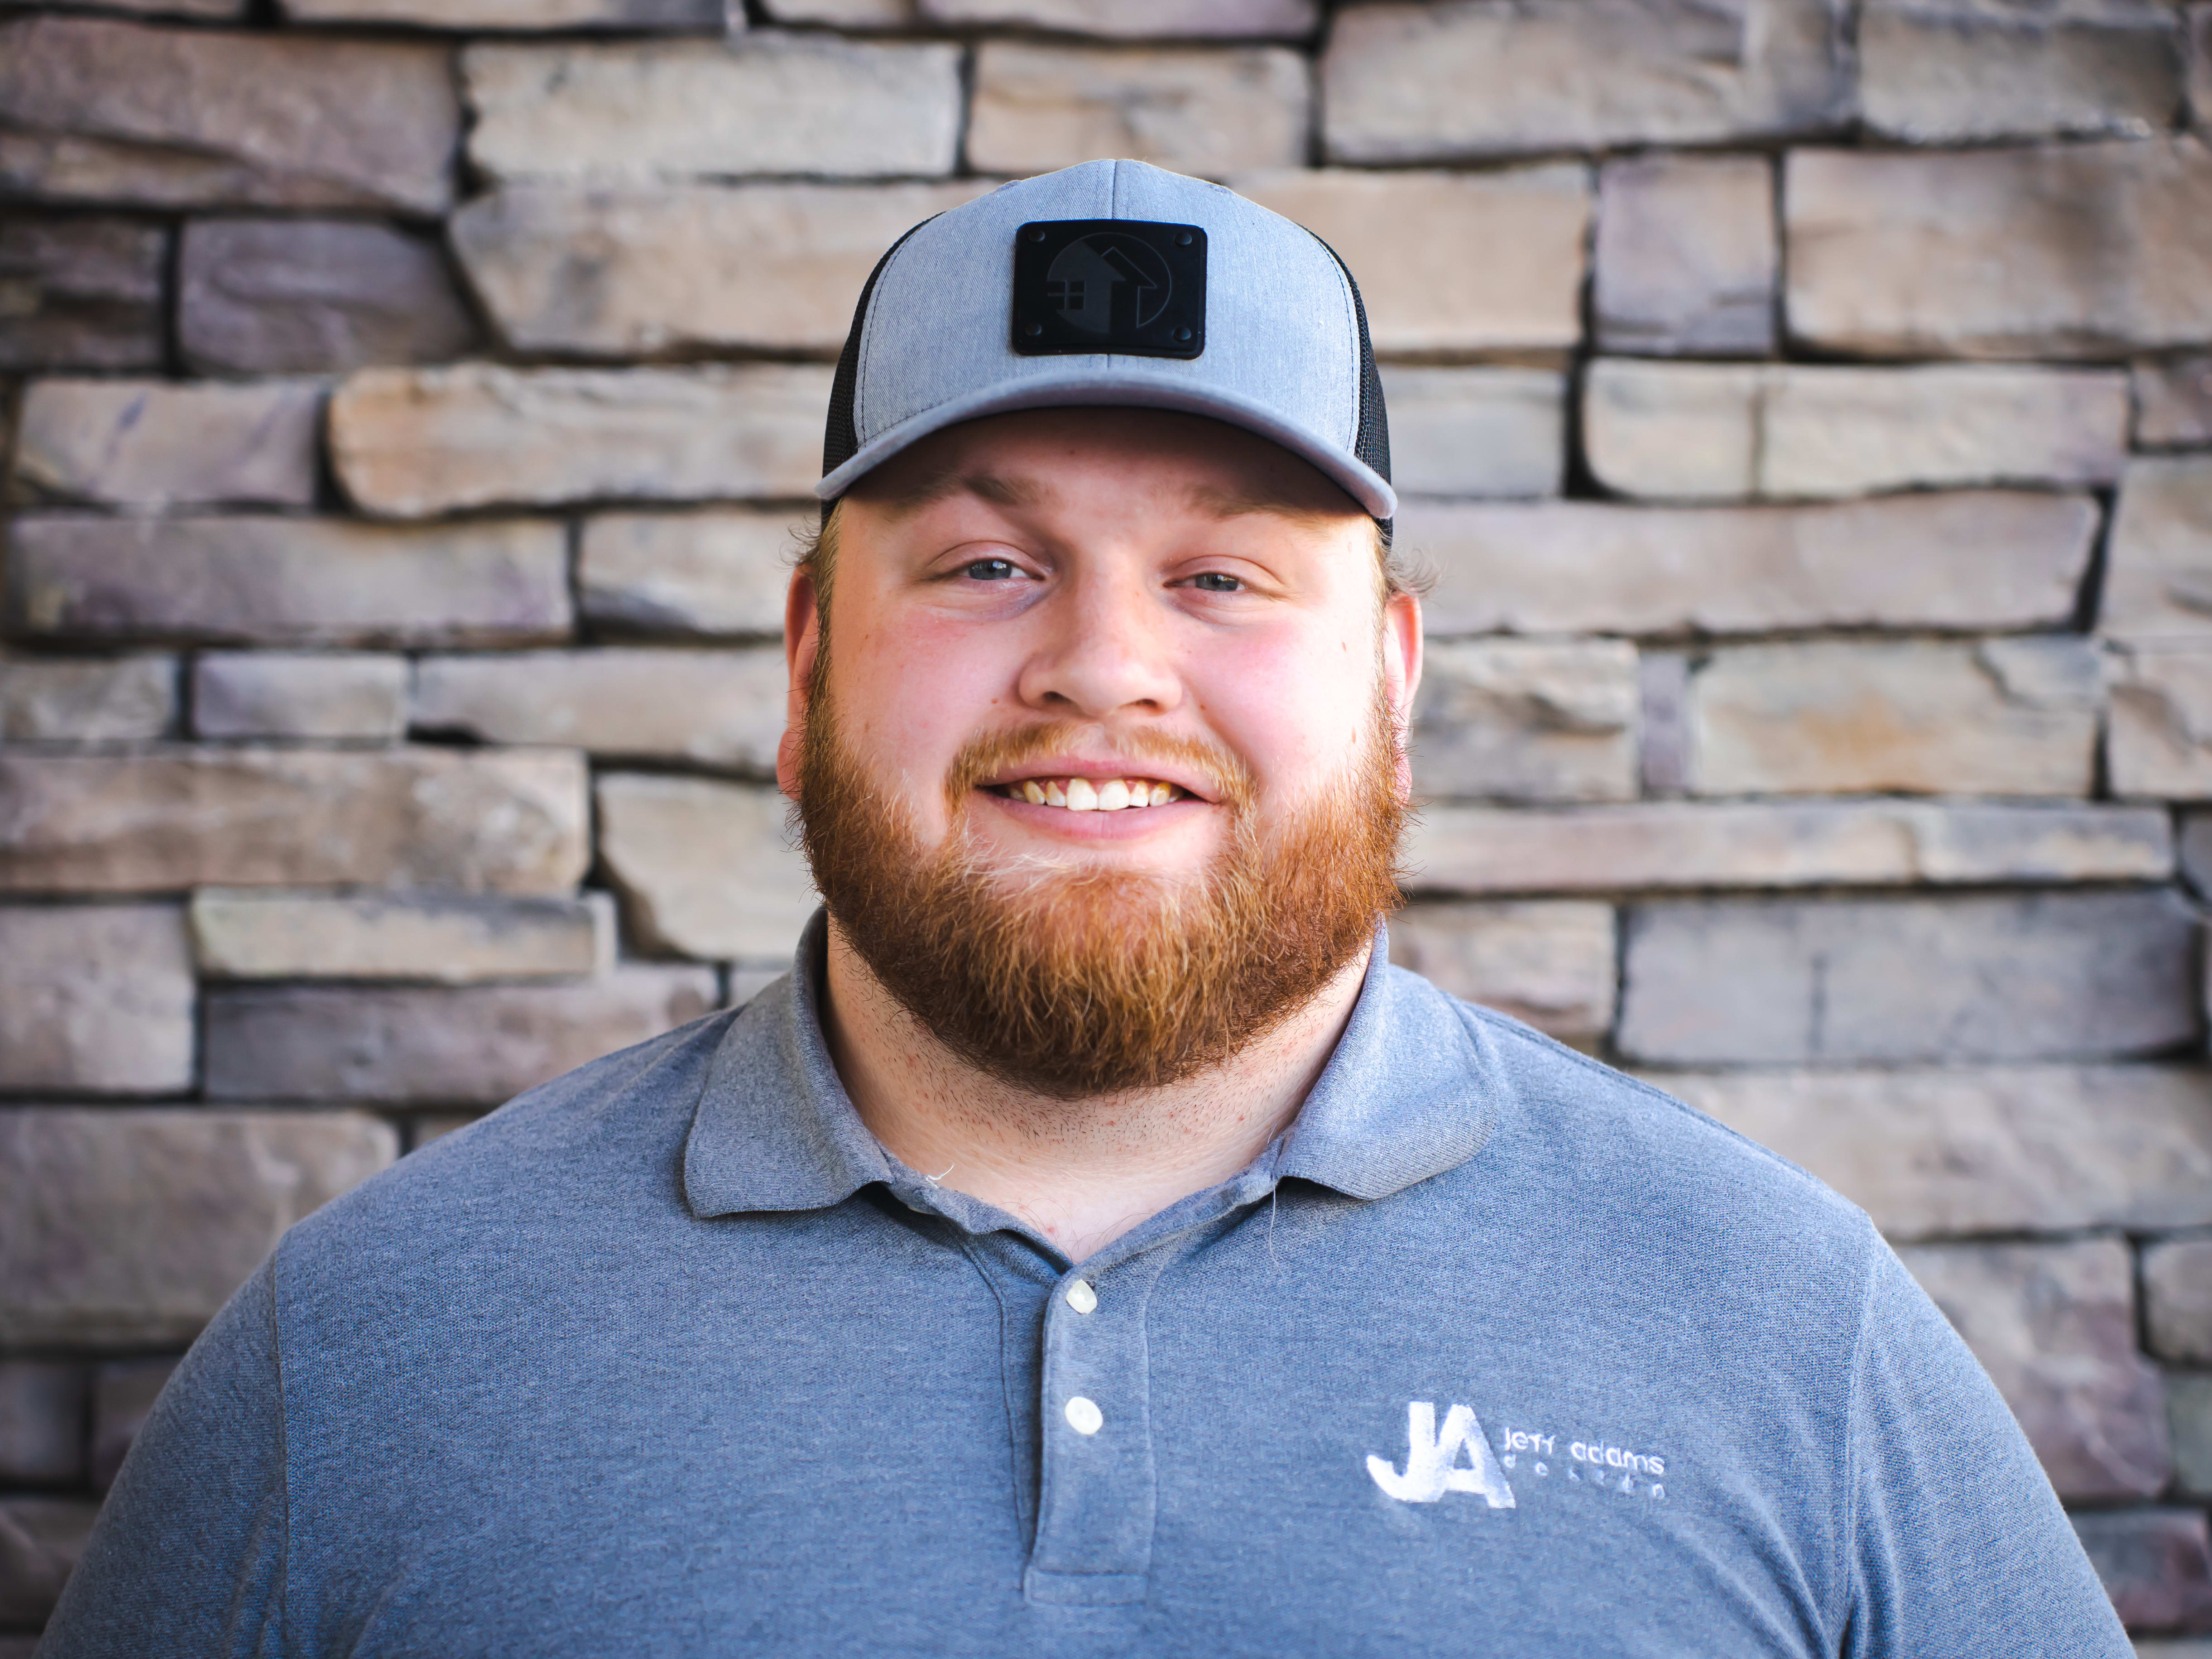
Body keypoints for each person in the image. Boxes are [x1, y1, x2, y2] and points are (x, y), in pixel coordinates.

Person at [41, 159, 2128, 1658]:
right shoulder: (369, 1359)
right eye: (981, 565)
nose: (1102, 667)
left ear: (1392, 676)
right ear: (802, 667)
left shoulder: (1784, 1331)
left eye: (1222, 576)